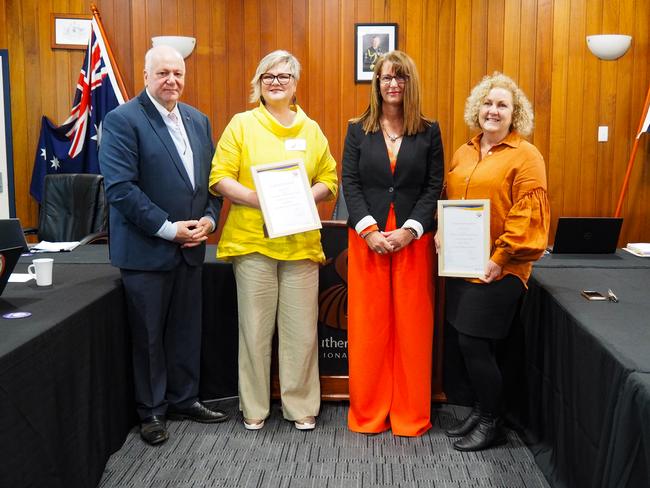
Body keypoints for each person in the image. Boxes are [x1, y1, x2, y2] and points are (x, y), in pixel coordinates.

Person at [99, 45, 228, 446]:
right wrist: (171, 230)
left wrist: (208, 218)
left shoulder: (198, 120)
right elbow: (122, 190)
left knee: (187, 330)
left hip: (192, 247)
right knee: (150, 337)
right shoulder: (122, 120)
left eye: (178, 73)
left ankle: (184, 398)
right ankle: (152, 410)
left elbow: (211, 181)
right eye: (163, 73)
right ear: (145, 76)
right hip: (146, 251)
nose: (171, 80)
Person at [209, 50, 338, 431]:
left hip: (299, 245)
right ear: (258, 83)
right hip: (253, 242)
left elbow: (329, 180)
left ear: (295, 83)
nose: (276, 82)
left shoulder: (311, 130)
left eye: (284, 76)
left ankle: (301, 406)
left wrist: (303, 195)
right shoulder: (242, 124)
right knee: (255, 329)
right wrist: (260, 198)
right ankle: (254, 407)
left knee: (301, 332)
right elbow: (219, 177)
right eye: (268, 76)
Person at [440, 72, 550, 451]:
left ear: (514, 113)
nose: (493, 110)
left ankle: (492, 421)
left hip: (501, 268)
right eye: (488, 103)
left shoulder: (526, 155)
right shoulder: (464, 151)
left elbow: (527, 215)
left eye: (502, 105)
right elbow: (449, 200)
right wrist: (441, 229)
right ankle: (480, 409)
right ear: (478, 108)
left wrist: (501, 258)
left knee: (474, 343)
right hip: (462, 265)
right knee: (471, 344)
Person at [342, 50, 444, 436]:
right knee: (369, 328)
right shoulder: (357, 129)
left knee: (412, 328)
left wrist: (411, 229)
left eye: (400, 78)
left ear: (409, 83)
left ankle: (409, 414)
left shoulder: (429, 130)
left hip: (412, 243)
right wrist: (369, 230)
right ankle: (368, 413)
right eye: (386, 78)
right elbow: (349, 182)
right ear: (376, 84)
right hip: (367, 240)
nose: (393, 84)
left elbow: (434, 185)